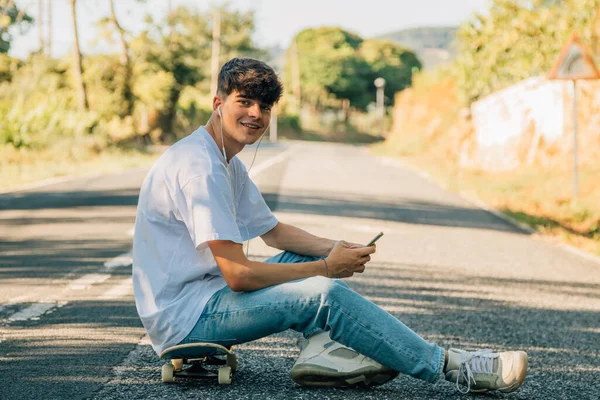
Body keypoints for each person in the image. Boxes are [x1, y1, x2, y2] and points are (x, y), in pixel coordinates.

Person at [132, 57, 528, 394]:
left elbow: (273, 232)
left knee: (303, 260)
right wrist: (326, 270)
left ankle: (322, 351)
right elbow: (237, 275)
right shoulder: (199, 168)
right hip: (187, 319)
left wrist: (336, 248)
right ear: (218, 103)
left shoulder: (223, 160)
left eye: (264, 106)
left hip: (204, 299)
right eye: (245, 102)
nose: (255, 114)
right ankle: (455, 367)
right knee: (323, 294)